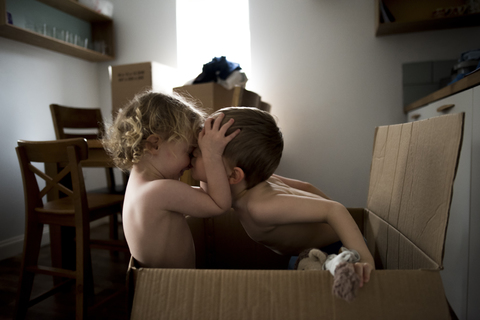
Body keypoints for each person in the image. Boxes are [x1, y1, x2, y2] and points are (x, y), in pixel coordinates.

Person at [190, 106, 374, 286]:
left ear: (234, 176)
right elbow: (306, 187)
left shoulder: (260, 207)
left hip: (337, 251)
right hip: (304, 252)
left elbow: (335, 209)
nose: (192, 154)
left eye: (201, 154)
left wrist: (364, 261)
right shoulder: (251, 183)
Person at [102, 91, 239, 268]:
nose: (191, 162)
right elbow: (219, 204)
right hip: (174, 289)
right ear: (154, 145)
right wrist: (211, 155)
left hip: (163, 284)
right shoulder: (160, 190)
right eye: (189, 152)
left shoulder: (141, 187)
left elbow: (207, 197)